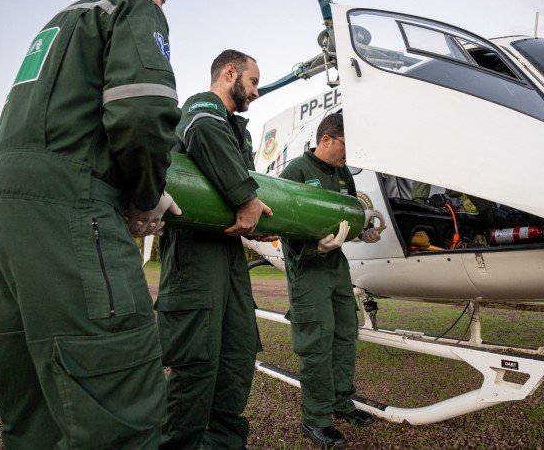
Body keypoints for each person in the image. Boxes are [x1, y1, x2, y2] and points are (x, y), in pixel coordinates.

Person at [0, 0, 181, 447]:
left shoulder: (54, 28)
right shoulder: (130, 9)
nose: (162, 6)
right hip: (68, 201)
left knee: (34, 405)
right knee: (118, 400)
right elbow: (143, 109)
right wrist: (146, 194)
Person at [157, 49, 271, 449]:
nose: (256, 92)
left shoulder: (239, 131)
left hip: (229, 255)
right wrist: (244, 196)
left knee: (237, 357)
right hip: (195, 254)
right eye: (253, 81)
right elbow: (204, 135)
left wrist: (261, 223)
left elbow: (252, 198)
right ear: (229, 73)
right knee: (198, 365)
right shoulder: (202, 109)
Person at [280, 113, 383, 449]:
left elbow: (349, 216)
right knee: (317, 342)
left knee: (344, 334)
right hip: (308, 269)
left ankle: (340, 402)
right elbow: (281, 221)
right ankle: (316, 418)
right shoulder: (296, 171)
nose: (347, 157)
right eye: (344, 147)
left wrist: (362, 231)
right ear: (326, 140)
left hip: (337, 269)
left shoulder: (341, 175)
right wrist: (313, 247)